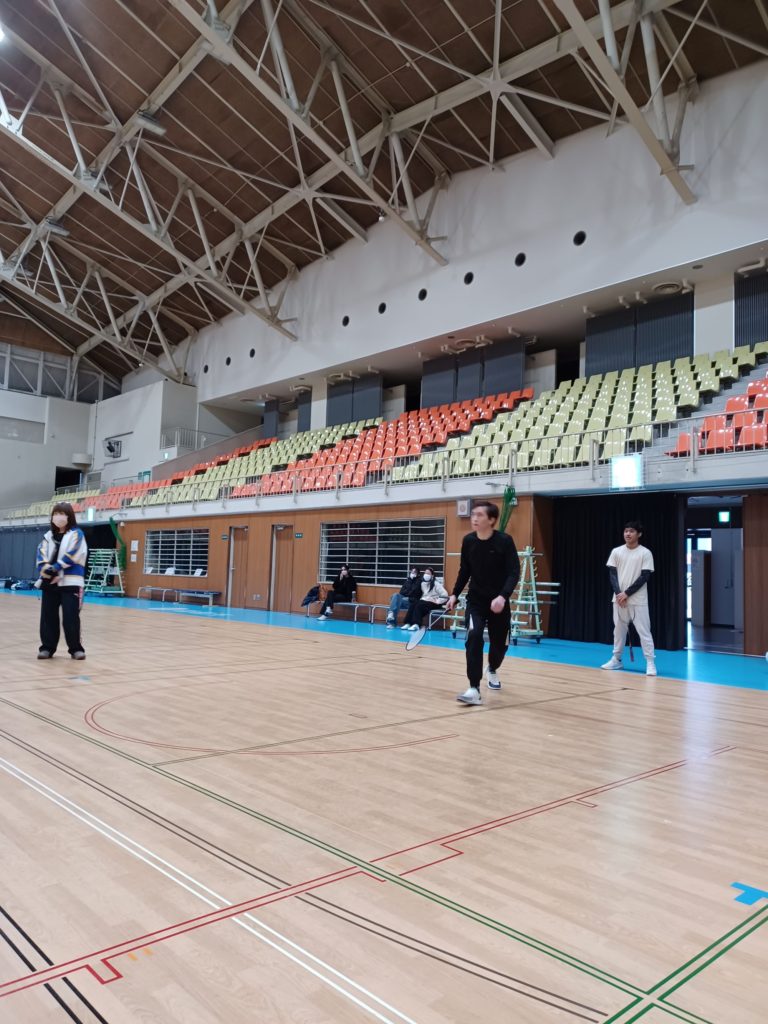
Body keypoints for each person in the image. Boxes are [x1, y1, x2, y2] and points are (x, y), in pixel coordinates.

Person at [447, 501, 520, 705]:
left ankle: (493, 668)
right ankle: (474, 688)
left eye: (480, 515)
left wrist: (503, 596)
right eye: (473, 514)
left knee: (499, 646)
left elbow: (514, 572)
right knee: (474, 636)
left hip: (499, 603)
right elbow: (465, 570)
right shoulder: (468, 541)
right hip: (476, 601)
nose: (474, 518)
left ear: (492, 520)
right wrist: (454, 594)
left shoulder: (505, 541)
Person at [601, 521, 656, 676]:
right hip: (619, 600)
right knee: (618, 631)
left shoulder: (645, 553)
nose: (628, 534)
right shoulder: (616, 551)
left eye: (631, 531)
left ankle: (650, 662)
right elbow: (612, 574)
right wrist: (619, 593)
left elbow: (645, 576)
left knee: (644, 632)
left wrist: (627, 593)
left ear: (639, 534)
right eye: (626, 531)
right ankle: (616, 660)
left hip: (638, 600)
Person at [36, 501, 88, 660]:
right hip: (50, 584)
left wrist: (56, 569)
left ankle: (76, 649)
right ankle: (47, 648)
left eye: (62, 514)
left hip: (71, 583)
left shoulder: (77, 534)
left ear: (69, 516)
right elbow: (41, 556)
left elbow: (73, 555)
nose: (59, 517)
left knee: (71, 617)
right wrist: (47, 571)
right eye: (56, 514)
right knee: (48, 617)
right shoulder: (48, 536)